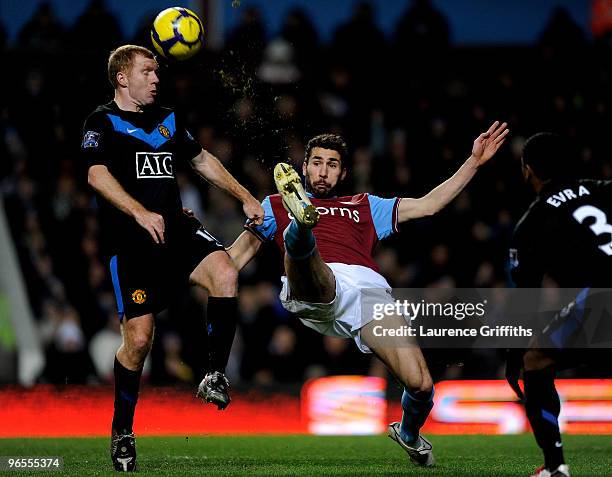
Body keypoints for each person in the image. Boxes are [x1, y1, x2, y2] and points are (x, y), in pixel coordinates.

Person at [228, 122, 508, 467]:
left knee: (421, 386)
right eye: (316, 163)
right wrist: (189, 251)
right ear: (304, 168)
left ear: (343, 173)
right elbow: (231, 261)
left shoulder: (365, 205)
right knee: (302, 249)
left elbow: (429, 205)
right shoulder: (273, 204)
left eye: (332, 165)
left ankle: (408, 434)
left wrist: (474, 162)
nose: (322, 171)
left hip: (368, 294)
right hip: (314, 281)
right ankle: (302, 226)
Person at [81, 45, 263, 472]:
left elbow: (202, 160)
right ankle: (123, 431)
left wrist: (245, 197)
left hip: (175, 229)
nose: (156, 78)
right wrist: (139, 211)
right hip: (132, 241)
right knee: (139, 341)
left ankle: (214, 374)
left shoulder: (168, 118)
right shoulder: (101, 120)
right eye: (147, 71)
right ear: (122, 78)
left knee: (224, 272)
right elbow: (95, 173)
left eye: (157, 71)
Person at [507, 133, 612, 477]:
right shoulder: (603, 188)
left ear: (528, 171)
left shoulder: (532, 222)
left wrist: (513, 353)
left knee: (534, 358)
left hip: (602, 299)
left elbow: (525, 299)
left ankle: (555, 467)